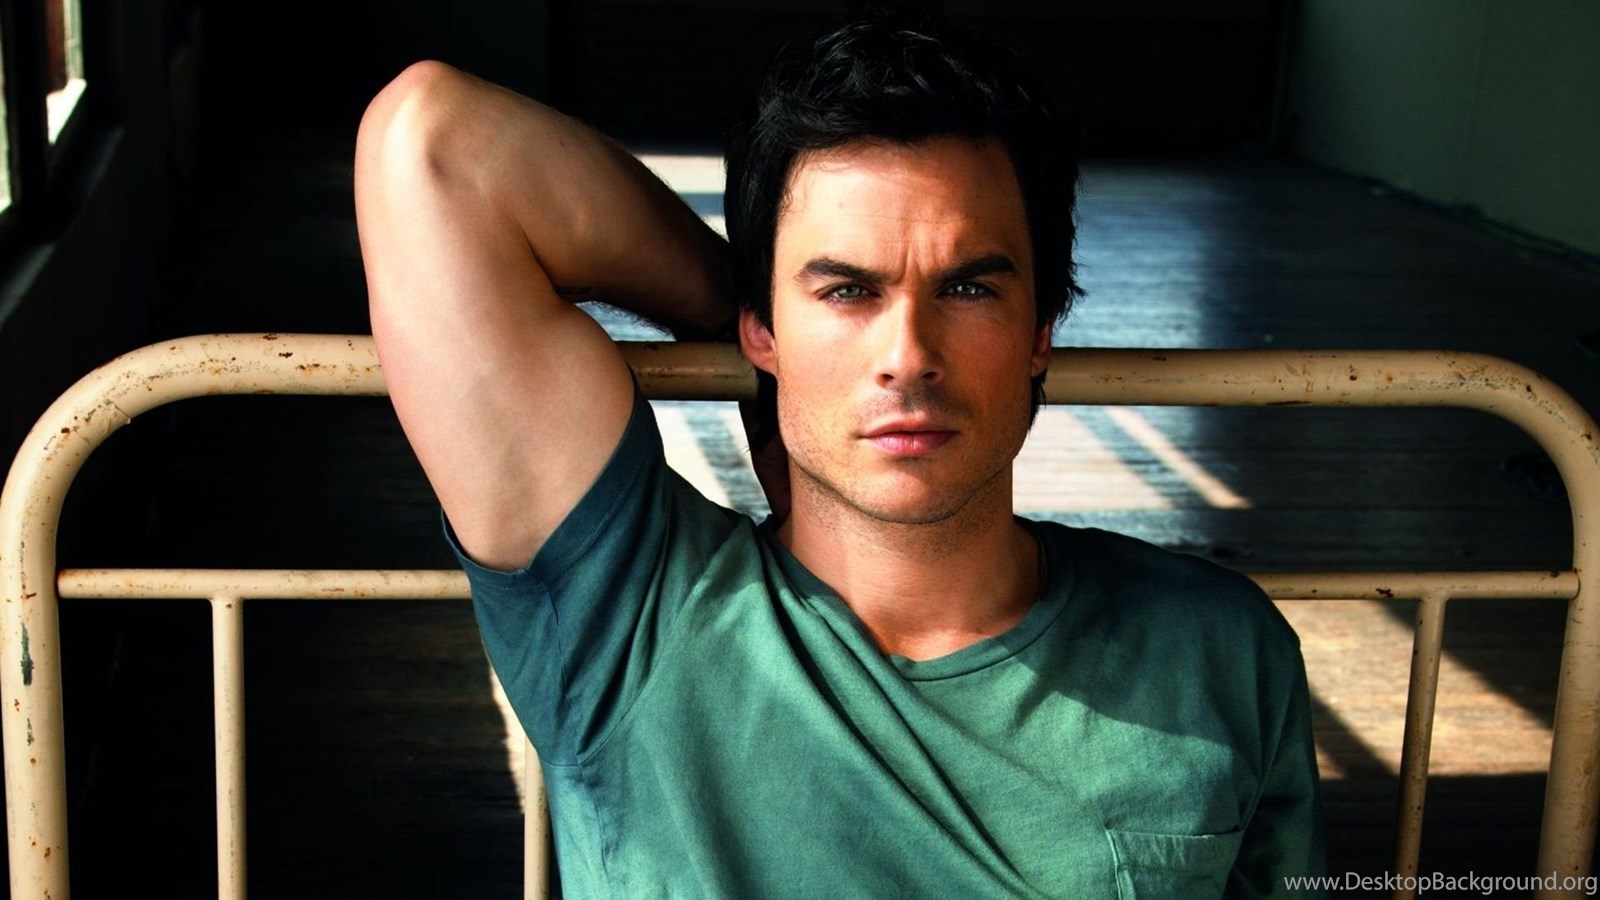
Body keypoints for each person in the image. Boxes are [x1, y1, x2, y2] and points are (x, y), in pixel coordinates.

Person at [355, 13, 1325, 898]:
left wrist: (787, 349)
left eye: (969, 289)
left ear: (1041, 331)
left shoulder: (1215, 650)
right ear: (764, 326)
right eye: (846, 292)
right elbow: (431, 142)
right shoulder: (626, 621)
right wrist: (746, 354)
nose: (907, 355)